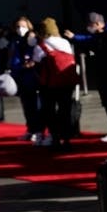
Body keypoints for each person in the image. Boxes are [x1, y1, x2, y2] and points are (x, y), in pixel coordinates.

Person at [65, 12, 107, 142]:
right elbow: (89, 39)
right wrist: (75, 37)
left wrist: (76, 37)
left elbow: (90, 39)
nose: (89, 28)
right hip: (104, 75)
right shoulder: (100, 35)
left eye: (90, 25)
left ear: (98, 24)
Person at [33, 17, 77, 150]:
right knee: (66, 109)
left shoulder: (41, 45)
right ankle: (67, 138)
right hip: (67, 81)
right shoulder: (65, 42)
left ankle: (55, 137)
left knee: (50, 110)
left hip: (50, 83)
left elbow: (37, 62)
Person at [8, 16, 44, 143]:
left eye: (23, 26)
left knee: (37, 106)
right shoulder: (16, 42)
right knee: (27, 106)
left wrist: (32, 63)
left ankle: (39, 131)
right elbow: (14, 60)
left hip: (34, 78)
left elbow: (39, 57)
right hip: (21, 78)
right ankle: (31, 129)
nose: (20, 29)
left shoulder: (34, 40)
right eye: (18, 26)